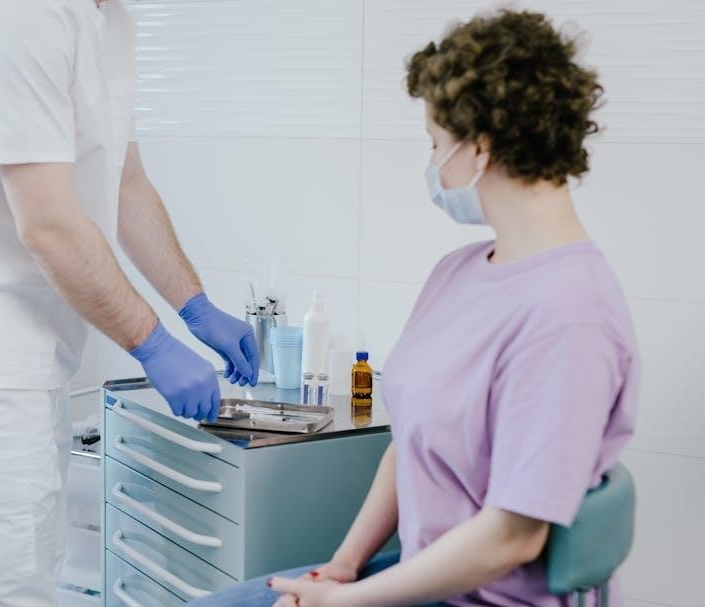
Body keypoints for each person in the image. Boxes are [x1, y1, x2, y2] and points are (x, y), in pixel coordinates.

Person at [190, 9, 639, 607]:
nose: (432, 163)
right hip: (416, 574)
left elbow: (513, 536)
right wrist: (341, 569)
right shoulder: (458, 272)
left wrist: (344, 604)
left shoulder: (571, 314)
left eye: (435, 143)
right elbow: (409, 444)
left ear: (480, 145)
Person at [0, 0, 259, 605]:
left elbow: (124, 183)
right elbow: (46, 225)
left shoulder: (108, 19)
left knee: (22, 570)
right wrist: (152, 344)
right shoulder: (14, 14)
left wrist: (195, 305)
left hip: (22, 353)